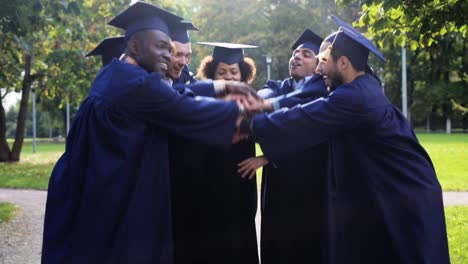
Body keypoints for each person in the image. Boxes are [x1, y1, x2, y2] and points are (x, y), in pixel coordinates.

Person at [41, 3, 259, 264]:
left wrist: (221, 86)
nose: (168, 55)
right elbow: (181, 107)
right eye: (161, 47)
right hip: (115, 190)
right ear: (134, 46)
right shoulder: (137, 84)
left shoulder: (115, 73)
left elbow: (175, 92)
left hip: (100, 182)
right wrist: (248, 119)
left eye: (170, 48)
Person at [238, 15, 450, 264]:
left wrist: (246, 122)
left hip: (405, 195)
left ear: (344, 63)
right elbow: (304, 108)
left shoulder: (355, 98)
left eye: (323, 61)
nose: (318, 70)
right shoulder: (361, 87)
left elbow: (303, 118)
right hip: (386, 191)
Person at [238, 29, 329, 264]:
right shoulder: (282, 86)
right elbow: (267, 92)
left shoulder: (323, 92)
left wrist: (268, 155)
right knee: (274, 239)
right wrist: (258, 100)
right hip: (277, 182)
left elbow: (304, 131)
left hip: (308, 183)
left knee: (303, 244)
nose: (297, 56)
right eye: (295, 52)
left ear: (319, 63)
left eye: (306, 54)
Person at [171, 42, 260, 264]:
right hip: (207, 181)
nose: (228, 77)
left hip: (240, 180)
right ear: (211, 73)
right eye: (221, 72)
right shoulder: (200, 101)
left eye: (233, 72)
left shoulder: (253, 99)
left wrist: (265, 158)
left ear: (243, 73)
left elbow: (274, 130)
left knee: (239, 237)